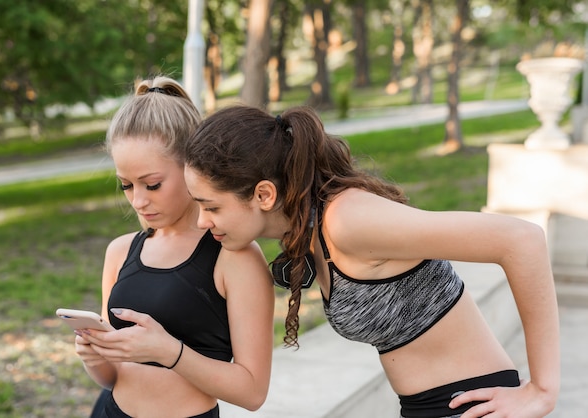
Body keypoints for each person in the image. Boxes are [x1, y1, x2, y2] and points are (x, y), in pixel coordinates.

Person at [182, 104, 560, 418]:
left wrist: (541, 390)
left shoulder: (348, 220)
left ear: (264, 194)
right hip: (428, 407)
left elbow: (521, 240)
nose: (202, 220)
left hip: (471, 404)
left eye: (211, 206)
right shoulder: (312, 226)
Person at [73, 78, 274, 418]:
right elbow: (113, 377)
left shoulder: (233, 256)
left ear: (190, 168)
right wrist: (94, 358)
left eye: (152, 184)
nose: (138, 200)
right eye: (126, 185)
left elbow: (252, 392)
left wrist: (171, 353)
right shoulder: (120, 252)